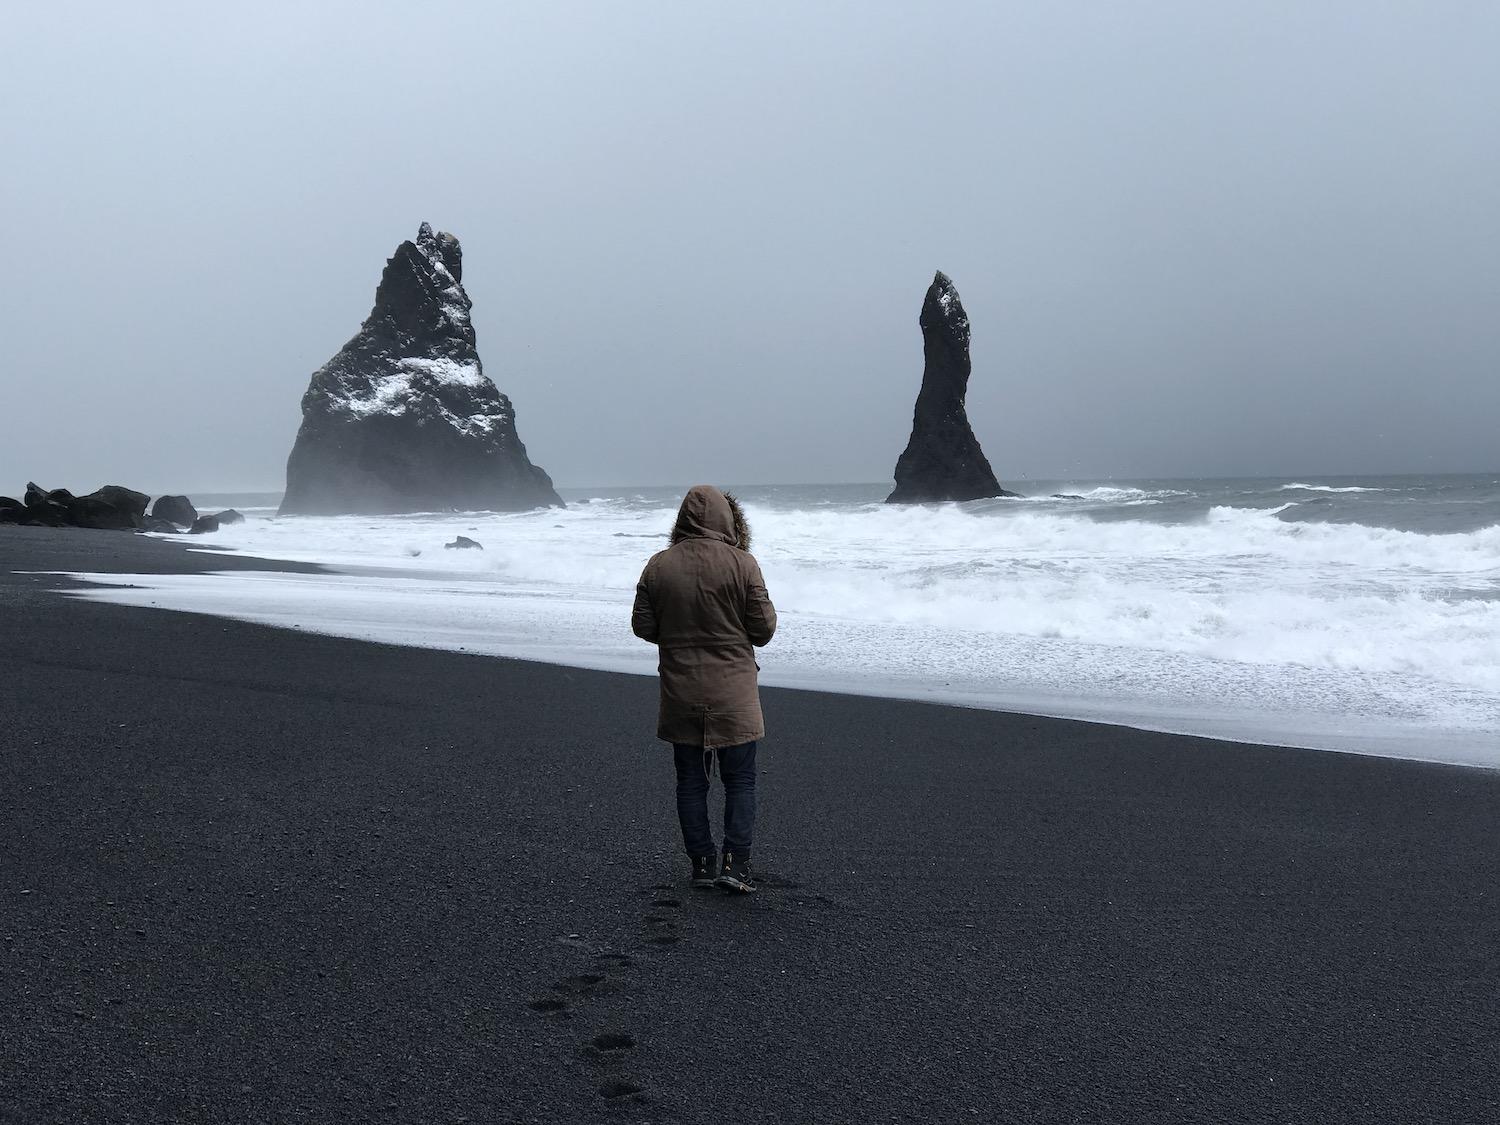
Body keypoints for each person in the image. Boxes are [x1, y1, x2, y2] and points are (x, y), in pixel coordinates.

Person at [631, 485, 777, 893]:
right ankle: (735, 865)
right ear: (727, 520)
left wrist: (678, 633)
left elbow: (643, 626)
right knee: (740, 781)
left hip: (681, 691)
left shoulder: (658, 566)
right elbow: (763, 631)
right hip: (734, 693)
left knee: (691, 782)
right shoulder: (743, 564)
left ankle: (701, 864)